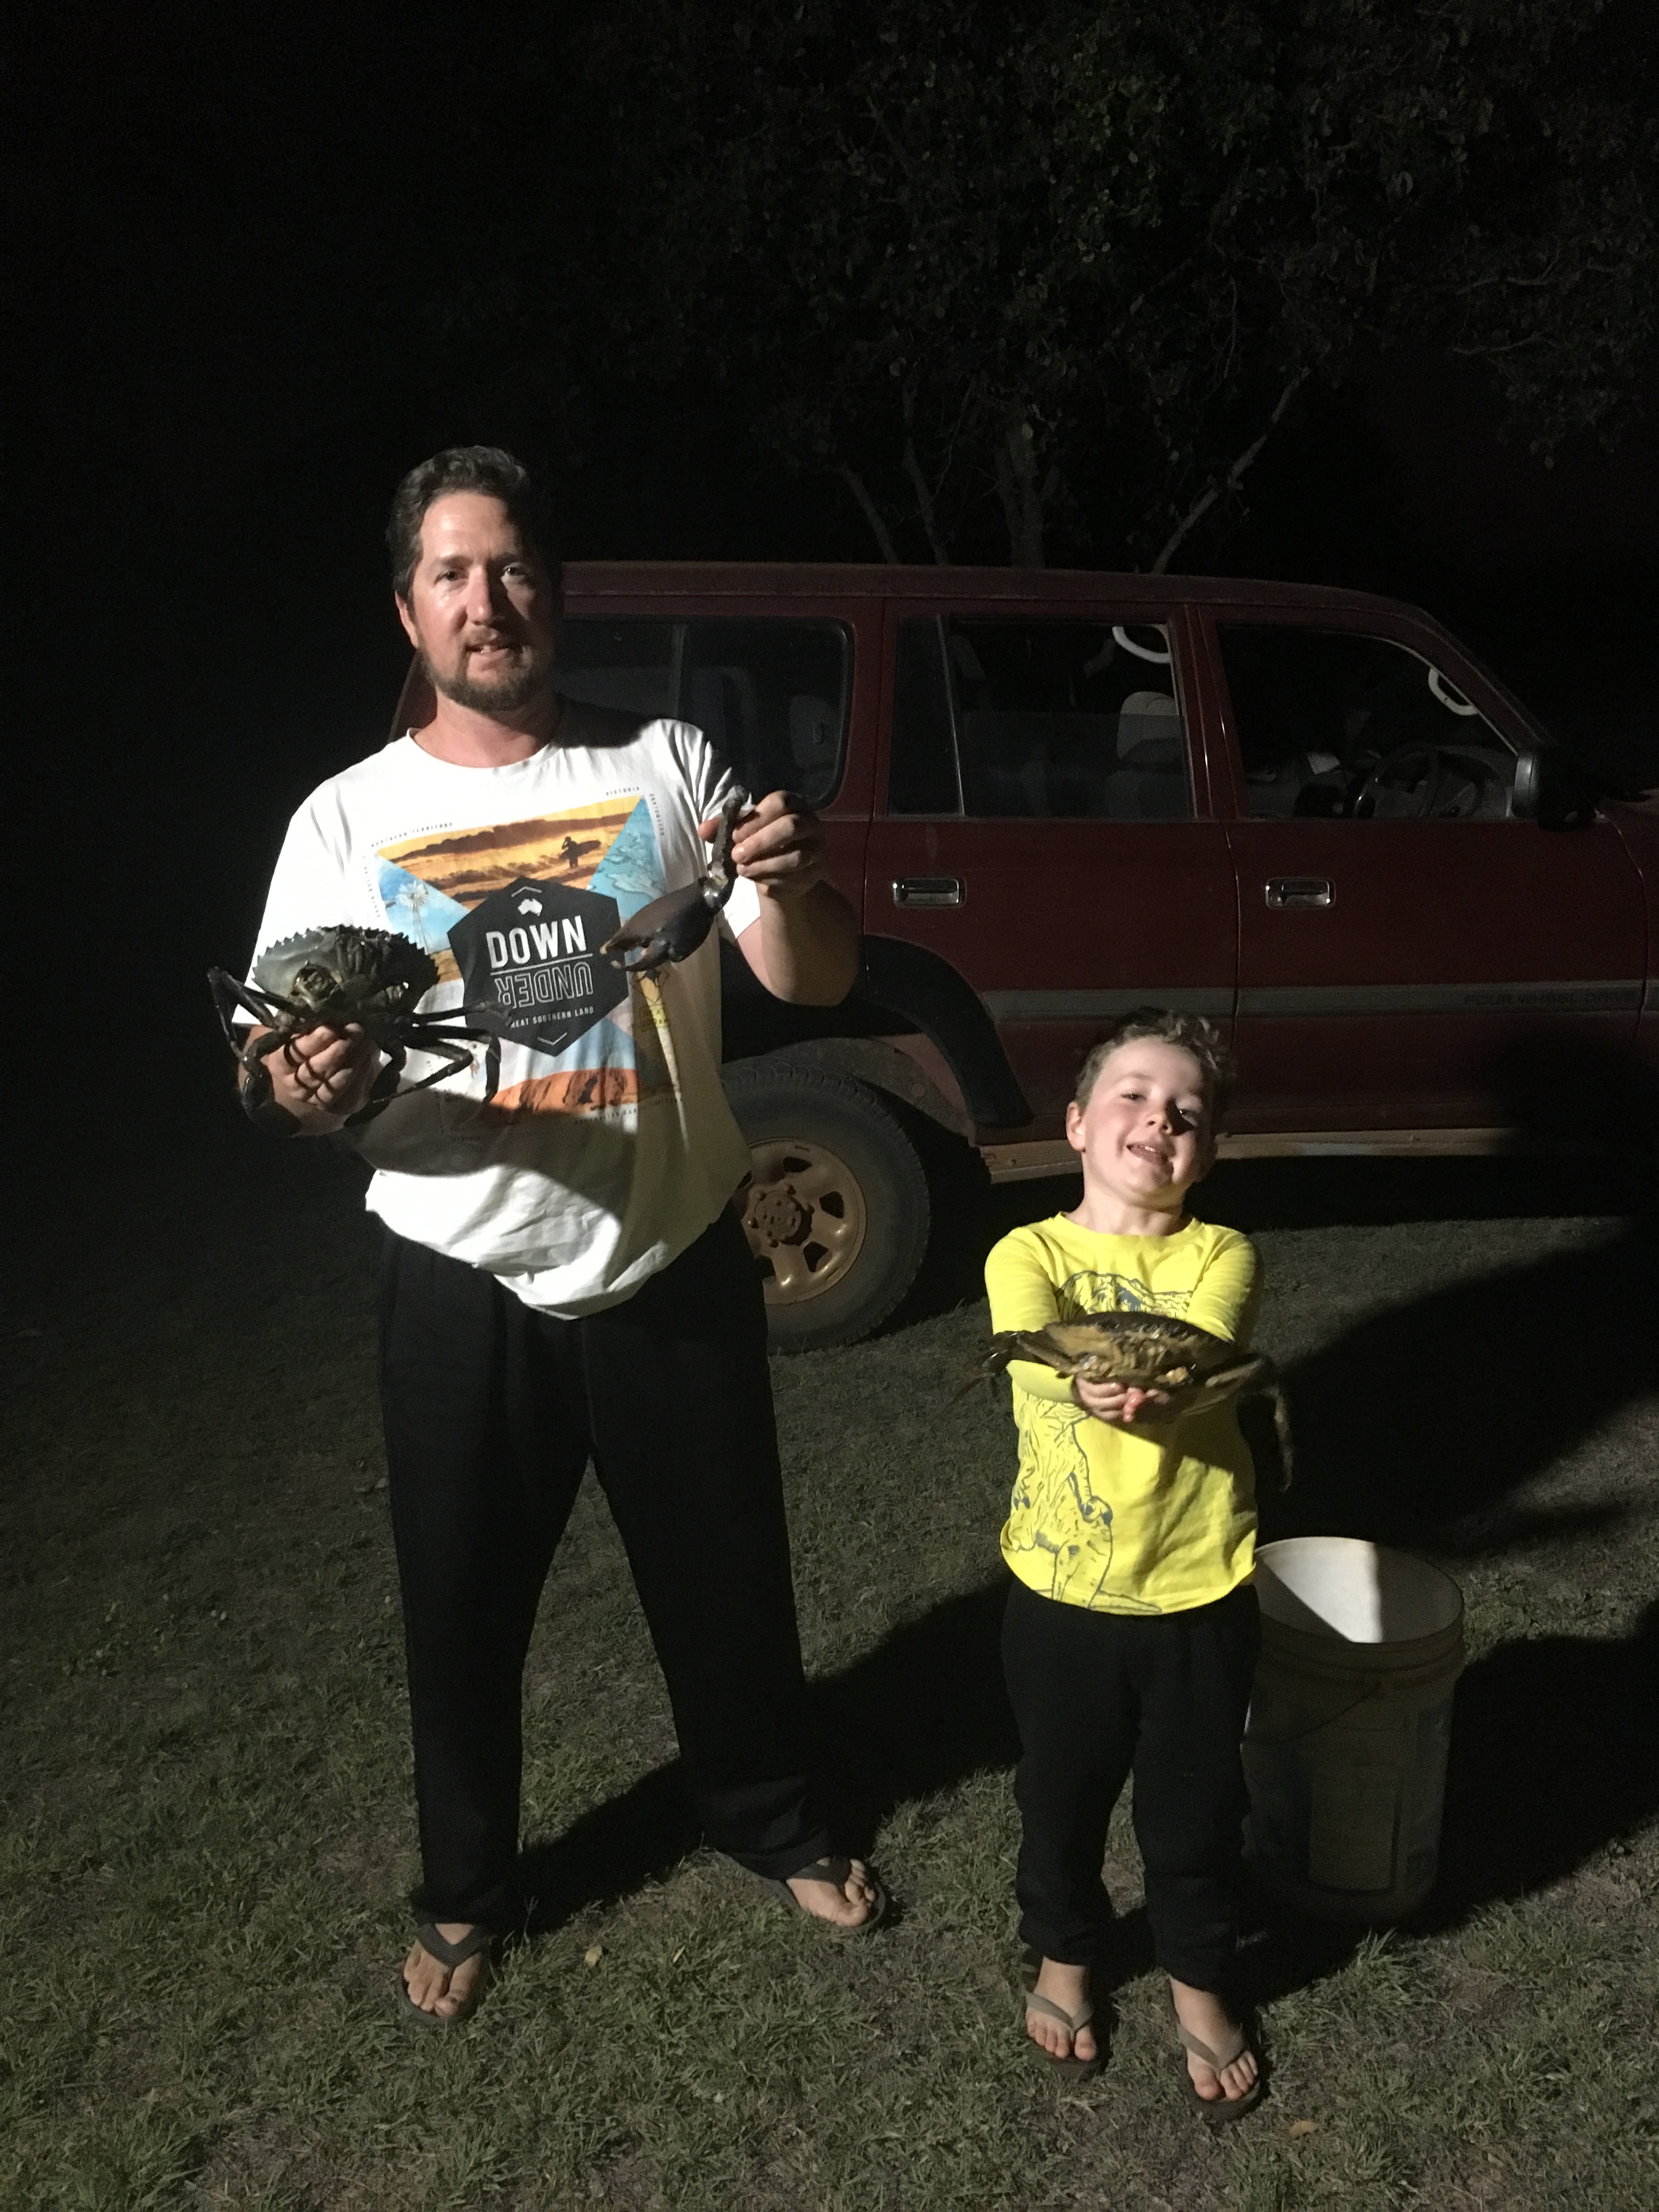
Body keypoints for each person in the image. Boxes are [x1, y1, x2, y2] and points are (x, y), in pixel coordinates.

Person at [238, 445, 884, 2025]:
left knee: (728, 1580)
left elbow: (808, 976)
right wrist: (296, 1084)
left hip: (672, 1251)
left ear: (558, 591)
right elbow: (269, 1067)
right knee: (458, 1609)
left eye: (514, 567)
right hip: (461, 1269)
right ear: (408, 610)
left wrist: (797, 885)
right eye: (452, 574)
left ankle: (770, 1818)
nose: (489, 601)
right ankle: (468, 1889)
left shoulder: (666, 764)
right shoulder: (347, 818)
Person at [984, 1008, 1265, 2117]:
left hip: (1200, 1587)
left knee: (1196, 1809)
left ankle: (1198, 1976)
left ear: (1209, 1151)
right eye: (1135, 1097)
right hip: (1060, 1594)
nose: (1161, 1120)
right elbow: (1027, 1355)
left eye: (1188, 1112)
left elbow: (1207, 1350)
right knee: (1059, 1796)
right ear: (1076, 1124)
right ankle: (1065, 1956)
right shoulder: (1028, 1252)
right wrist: (1083, 1382)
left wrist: (1156, 1386)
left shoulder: (1222, 1253)